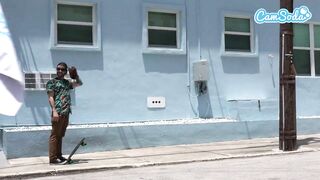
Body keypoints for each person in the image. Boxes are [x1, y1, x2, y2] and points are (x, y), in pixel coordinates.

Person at [46, 62, 83, 164]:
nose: (60, 71)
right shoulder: (52, 82)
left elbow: (79, 83)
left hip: (66, 112)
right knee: (54, 135)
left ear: (66, 71)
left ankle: (59, 155)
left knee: (60, 135)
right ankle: (53, 158)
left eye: (62, 69)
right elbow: (50, 97)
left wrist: (76, 76)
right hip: (57, 112)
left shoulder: (67, 83)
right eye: (58, 69)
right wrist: (54, 111)